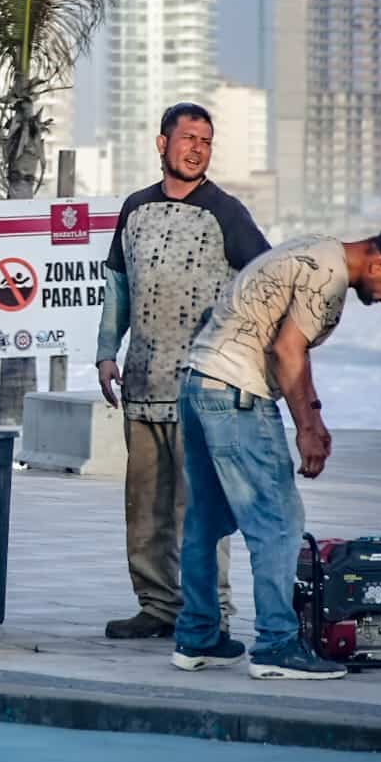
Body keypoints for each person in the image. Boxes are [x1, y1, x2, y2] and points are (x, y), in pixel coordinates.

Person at [172, 224, 381, 681]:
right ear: (379, 264)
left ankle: (197, 638)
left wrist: (314, 416)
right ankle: (277, 644)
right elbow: (288, 350)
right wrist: (307, 429)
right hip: (237, 392)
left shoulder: (314, 248)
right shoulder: (328, 278)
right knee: (278, 521)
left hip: (199, 381)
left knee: (207, 518)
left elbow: (283, 342)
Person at [95, 103, 269, 640]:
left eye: (206, 141)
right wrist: (106, 352)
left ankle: (209, 612)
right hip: (141, 382)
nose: (196, 148)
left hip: (203, 392)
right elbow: (117, 288)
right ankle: (157, 605)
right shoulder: (134, 209)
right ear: (162, 143)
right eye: (188, 137)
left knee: (202, 512)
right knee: (144, 508)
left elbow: (267, 282)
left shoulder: (227, 212)